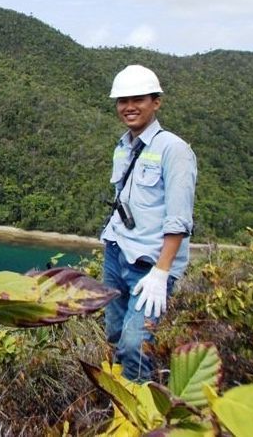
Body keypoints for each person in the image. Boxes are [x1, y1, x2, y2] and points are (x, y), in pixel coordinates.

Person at [100, 65, 197, 381]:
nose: (129, 107)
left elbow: (179, 219)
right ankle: (121, 397)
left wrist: (161, 272)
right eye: (122, 100)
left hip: (151, 266)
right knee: (115, 333)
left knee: (135, 344)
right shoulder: (123, 145)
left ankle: (142, 416)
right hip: (117, 254)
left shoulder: (174, 150)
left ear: (156, 102)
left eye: (138, 99)